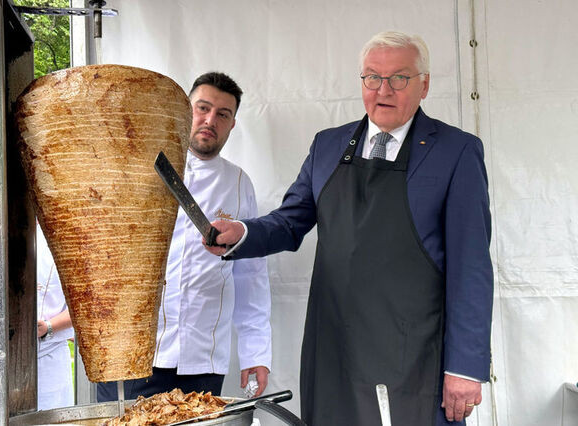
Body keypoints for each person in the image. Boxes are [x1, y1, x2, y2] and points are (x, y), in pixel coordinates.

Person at [206, 31, 493, 425]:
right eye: (372, 77)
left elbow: (472, 267)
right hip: (334, 349)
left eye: (400, 78)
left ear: (424, 84)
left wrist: (465, 366)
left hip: (412, 355)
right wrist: (243, 233)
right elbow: (290, 222)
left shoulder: (455, 151)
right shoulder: (328, 145)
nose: (384, 89)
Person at [97, 72, 272, 402]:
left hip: (203, 358)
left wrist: (256, 354)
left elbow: (252, 279)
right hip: (135, 353)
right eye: (202, 108)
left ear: (233, 124)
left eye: (223, 114)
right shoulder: (139, 168)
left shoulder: (238, 184)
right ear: (185, 110)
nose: (210, 120)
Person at [36, 223, 75, 410]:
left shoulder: (65, 232)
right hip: (2, 360)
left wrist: (49, 327)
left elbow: (83, 305)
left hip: (50, 357)